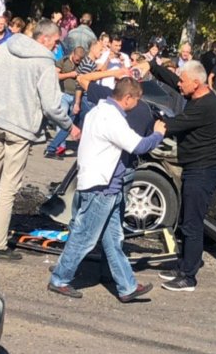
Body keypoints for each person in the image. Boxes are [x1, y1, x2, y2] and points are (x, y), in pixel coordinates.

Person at [48, 78, 166, 301]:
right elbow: (138, 145)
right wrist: (158, 134)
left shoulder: (97, 111)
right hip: (101, 186)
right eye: (137, 100)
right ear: (128, 98)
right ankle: (60, 278)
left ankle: (127, 286)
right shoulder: (112, 118)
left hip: (103, 184)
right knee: (85, 237)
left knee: (113, 239)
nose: (138, 105)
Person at [0, 20, 78, 260]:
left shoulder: (6, 47)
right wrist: (69, 126)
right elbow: (51, 105)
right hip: (19, 128)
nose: (57, 46)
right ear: (45, 39)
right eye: (56, 41)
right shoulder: (45, 63)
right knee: (8, 188)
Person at [136, 59, 216, 292]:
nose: (180, 84)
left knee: (192, 223)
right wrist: (152, 66)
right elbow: (175, 81)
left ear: (196, 82)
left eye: (185, 81)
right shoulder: (196, 93)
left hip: (202, 170)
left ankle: (188, 276)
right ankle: (183, 263)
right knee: (185, 220)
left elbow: (174, 125)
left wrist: (146, 118)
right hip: (194, 168)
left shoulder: (205, 106)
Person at [44, 46, 85, 159]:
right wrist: (69, 74)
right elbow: (55, 75)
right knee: (62, 120)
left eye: (80, 59)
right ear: (73, 53)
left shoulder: (82, 64)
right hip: (63, 94)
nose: (78, 61)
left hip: (76, 96)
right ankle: (59, 148)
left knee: (72, 122)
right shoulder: (63, 61)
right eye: (77, 59)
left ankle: (56, 146)